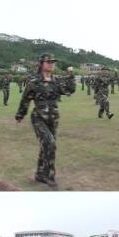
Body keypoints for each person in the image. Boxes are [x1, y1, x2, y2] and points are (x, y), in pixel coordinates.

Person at [15, 54, 76, 188]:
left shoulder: (57, 80)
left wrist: (71, 74)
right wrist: (20, 115)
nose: (51, 64)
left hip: (53, 118)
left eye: (53, 62)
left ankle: (40, 174)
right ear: (42, 64)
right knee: (50, 143)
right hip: (39, 117)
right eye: (48, 62)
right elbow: (26, 98)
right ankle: (49, 176)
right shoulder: (34, 81)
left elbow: (71, 89)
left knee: (46, 146)